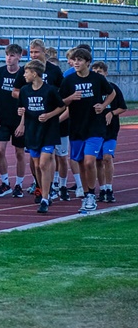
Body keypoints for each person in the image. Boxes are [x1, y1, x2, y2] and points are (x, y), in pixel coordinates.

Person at [59, 47, 114, 214]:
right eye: (74, 60)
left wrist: (103, 106)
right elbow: (60, 102)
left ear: (87, 63)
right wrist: (70, 98)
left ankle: (91, 195)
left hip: (95, 127)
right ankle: (86, 194)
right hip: (76, 127)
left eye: (80, 60)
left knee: (90, 161)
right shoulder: (68, 81)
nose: (76, 62)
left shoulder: (97, 79)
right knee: (82, 163)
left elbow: (111, 93)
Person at [17, 59, 63, 214]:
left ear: (34, 73)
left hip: (48, 131)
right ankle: (44, 190)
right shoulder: (24, 90)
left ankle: (44, 198)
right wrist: (21, 120)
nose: (24, 75)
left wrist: (49, 115)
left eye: (26, 72)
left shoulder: (49, 90)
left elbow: (61, 106)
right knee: (37, 166)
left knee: (44, 164)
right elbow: (23, 108)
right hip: (32, 131)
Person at [0, 43, 28, 198]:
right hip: (3, 118)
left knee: (20, 152)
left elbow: (28, 99)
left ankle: (19, 184)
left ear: (19, 57)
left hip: (19, 118)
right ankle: (5, 182)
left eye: (12, 55)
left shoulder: (25, 74)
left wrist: (23, 122)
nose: (9, 58)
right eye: (7, 55)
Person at [92, 61, 125, 204]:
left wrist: (111, 112)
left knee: (107, 157)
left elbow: (122, 107)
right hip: (95, 129)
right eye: (94, 72)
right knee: (98, 160)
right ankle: (103, 188)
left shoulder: (113, 88)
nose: (97, 74)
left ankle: (110, 188)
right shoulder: (92, 90)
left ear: (105, 73)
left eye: (100, 72)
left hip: (110, 130)